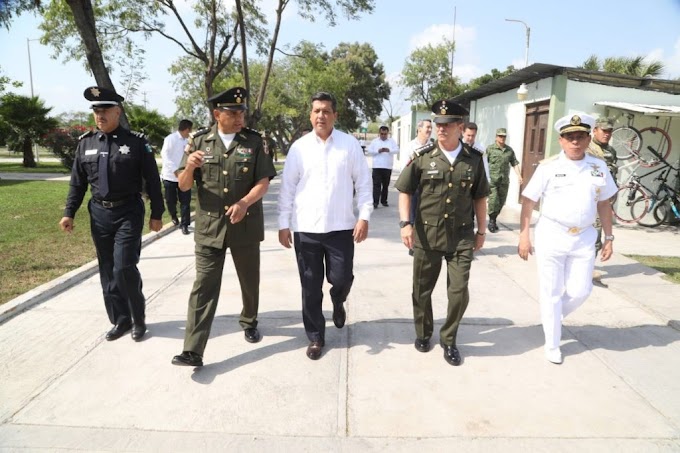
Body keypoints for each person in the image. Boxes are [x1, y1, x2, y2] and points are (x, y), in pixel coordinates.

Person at [171, 87, 276, 367]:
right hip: (209, 227)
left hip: (245, 225)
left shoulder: (255, 142)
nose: (239, 116)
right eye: (232, 112)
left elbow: (263, 181)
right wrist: (190, 168)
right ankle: (192, 349)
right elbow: (182, 185)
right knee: (203, 286)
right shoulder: (198, 142)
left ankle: (249, 320)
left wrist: (244, 203)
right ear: (217, 114)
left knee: (248, 280)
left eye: (241, 112)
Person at [59, 86, 164, 342]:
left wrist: (157, 213)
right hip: (99, 214)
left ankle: (138, 319)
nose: (99, 115)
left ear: (117, 111)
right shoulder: (86, 144)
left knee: (124, 267)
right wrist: (68, 212)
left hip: (128, 211)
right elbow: (77, 183)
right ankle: (120, 319)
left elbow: (152, 180)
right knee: (107, 270)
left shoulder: (137, 143)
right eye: (96, 110)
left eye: (104, 110)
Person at [278, 91, 373, 361]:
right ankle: (316, 336)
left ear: (335, 115)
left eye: (326, 111)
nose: (321, 115)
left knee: (341, 278)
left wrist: (364, 216)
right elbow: (287, 189)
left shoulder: (349, 145)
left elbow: (364, 184)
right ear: (311, 115)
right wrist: (284, 224)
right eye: (317, 111)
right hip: (306, 229)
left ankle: (338, 300)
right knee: (310, 286)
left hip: (341, 228)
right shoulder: (299, 148)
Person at [395, 99, 489, 366]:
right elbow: (405, 190)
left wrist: (481, 231)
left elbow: (480, 197)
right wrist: (406, 224)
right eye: (438, 123)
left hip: (460, 237)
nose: (441, 129)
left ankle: (449, 339)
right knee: (421, 291)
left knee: (459, 291)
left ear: (460, 127)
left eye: (447, 124)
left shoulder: (473, 159)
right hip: (426, 236)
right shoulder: (422, 157)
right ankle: (423, 334)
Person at [518, 113, 617, 365]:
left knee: (581, 290)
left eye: (580, 137)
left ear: (588, 139)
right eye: (569, 137)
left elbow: (604, 203)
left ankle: (551, 316)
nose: (575, 142)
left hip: (584, 236)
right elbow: (529, 201)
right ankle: (552, 343)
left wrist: (609, 237)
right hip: (552, 234)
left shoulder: (599, 166)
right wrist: (524, 235)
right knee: (551, 291)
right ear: (561, 140)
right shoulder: (549, 167)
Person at [587, 116, 618, 281]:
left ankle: (587, 267)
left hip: (605, 199)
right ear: (595, 130)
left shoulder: (611, 151)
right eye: (604, 131)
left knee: (596, 233)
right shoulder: (588, 149)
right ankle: (585, 269)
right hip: (591, 198)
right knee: (590, 233)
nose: (607, 134)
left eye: (610, 131)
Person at [399, 119, 433, 240]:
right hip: (414, 187)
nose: (429, 130)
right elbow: (405, 167)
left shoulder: (434, 146)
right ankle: (413, 243)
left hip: (430, 187)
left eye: (430, 128)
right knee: (412, 215)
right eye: (427, 127)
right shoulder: (409, 147)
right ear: (419, 129)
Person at [486, 128, 523, 233]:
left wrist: (519, 176)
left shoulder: (509, 150)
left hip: (504, 181)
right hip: (492, 181)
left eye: (504, 136)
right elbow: (484, 163)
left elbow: (514, 163)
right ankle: (491, 221)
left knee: (501, 202)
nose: (502, 138)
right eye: (500, 136)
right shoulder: (490, 149)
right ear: (496, 137)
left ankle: (494, 218)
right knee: (493, 201)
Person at [160, 119, 194, 235]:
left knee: (185, 201)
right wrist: (175, 170)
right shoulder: (171, 139)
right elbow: (164, 155)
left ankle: (185, 224)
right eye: (190, 131)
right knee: (171, 200)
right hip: (170, 176)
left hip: (184, 176)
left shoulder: (189, 141)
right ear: (187, 129)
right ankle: (174, 215)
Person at [366, 125, 399, 208]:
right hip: (377, 166)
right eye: (382, 134)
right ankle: (375, 202)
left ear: (388, 133)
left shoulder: (391, 141)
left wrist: (389, 150)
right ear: (379, 133)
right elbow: (369, 151)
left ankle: (384, 201)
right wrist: (378, 151)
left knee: (385, 185)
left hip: (387, 167)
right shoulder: (375, 141)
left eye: (385, 134)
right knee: (376, 185)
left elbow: (397, 150)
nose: (383, 135)